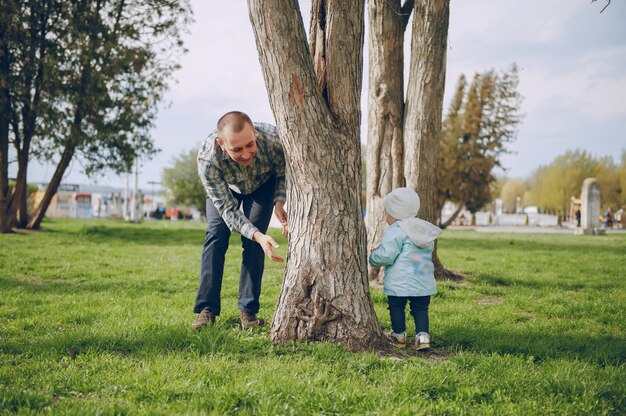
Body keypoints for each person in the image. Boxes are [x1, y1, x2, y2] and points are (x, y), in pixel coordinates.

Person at [192, 111, 287, 330]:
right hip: (226, 190)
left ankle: (248, 312)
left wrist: (279, 201)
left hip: (262, 185)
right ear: (221, 144)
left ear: (255, 134)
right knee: (216, 236)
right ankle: (207, 310)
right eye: (237, 149)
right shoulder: (208, 160)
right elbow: (227, 209)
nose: (246, 154)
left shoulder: (274, 141)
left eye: (250, 145)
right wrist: (257, 233)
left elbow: (283, 171)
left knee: (255, 244)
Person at [369, 187, 441, 350]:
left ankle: (399, 336)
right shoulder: (423, 230)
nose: (385, 216)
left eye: (387, 213)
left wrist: (373, 258)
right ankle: (423, 338)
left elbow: (387, 255)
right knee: (420, 308)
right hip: (422, 278)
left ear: (395, 214)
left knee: (396, 307)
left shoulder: (396, 231)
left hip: (400, 281)